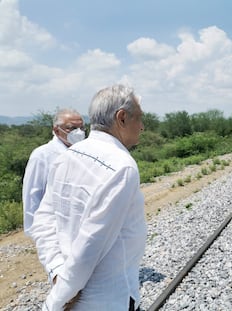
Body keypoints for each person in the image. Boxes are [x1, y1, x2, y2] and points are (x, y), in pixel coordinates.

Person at [30, 84, 147, 311]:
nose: (142, 127)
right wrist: (55, 301)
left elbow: (43, 220)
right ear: (121, 118)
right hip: (108, 299)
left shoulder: (67, 156)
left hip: (69, 289)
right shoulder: (122, 167)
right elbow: (91, 243)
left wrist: (57, 274)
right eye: (139, 119)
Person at [23, 108, 85, 237]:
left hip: (80, 226)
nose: (79, 132)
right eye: (72, 128)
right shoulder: (43, 155)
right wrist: (35, 231)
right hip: (53, 227)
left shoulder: (84, 152)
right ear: (57, 130)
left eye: (82, 128)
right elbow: (32, 195)